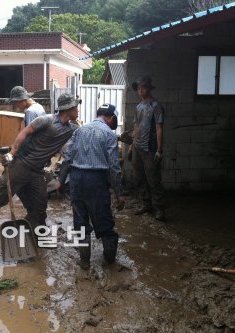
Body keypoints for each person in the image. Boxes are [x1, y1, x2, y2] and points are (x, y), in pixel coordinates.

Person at [0, 93, 81, 245]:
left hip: (37, 171)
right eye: (76, 108)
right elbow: (24, 133)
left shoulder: (72, 129)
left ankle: (35, 233)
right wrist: (12, 154)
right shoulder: (46, 120)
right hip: (21, 164)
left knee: (40, 204)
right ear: (69, 109)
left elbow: (86, 133)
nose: (78, 111)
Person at [60, 104, 124, 270]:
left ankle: (85, 262)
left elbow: (67, 155)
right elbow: (114, 167)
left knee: (80, 221)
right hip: (95, 181)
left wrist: (61, 180)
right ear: (110, 118)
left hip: (76, 179)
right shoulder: (109, 135)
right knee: (103, 220)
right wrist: (119, 194)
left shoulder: (79, 131)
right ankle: (110, 261)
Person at [128, 76, 165, 221]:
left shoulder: (156, 106)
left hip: (150, 148)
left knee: (153, 179)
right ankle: (146, 203)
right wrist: (131, 145)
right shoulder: (138, 107)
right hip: (137, 146)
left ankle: (160, 208)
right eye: (138, 88)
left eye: (142, 87)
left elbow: (159, 127)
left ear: (149, 88)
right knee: (139, 177)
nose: (140, 90)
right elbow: (136, 127)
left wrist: (159, 149)